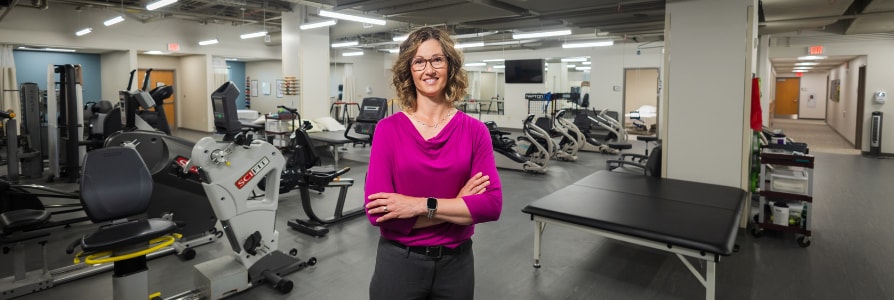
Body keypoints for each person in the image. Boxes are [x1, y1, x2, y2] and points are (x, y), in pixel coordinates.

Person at [364, 26, 503, 300]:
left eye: (437, 59)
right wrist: (458, 208)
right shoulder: (387, 130)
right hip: (399, 264)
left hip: (457, 265)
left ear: (450, 66)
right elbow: (379, 215)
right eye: (419, 61)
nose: (429, 69)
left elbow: (491, 206)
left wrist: (417, 205)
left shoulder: (475, 131)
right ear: (409, 70)